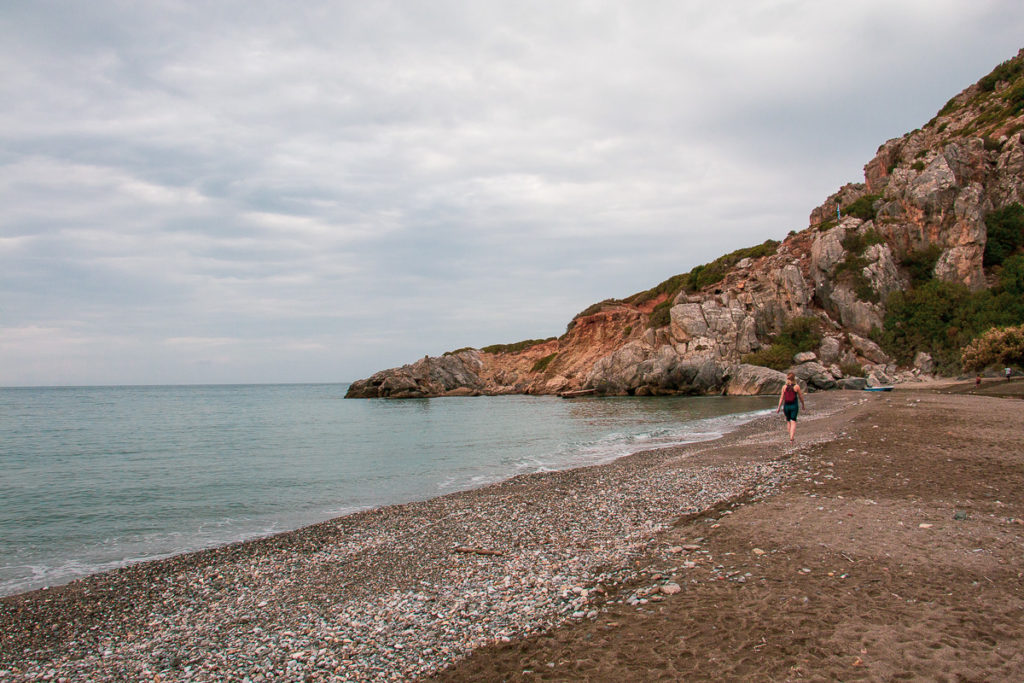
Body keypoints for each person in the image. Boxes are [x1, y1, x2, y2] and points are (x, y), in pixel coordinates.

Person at [777, 372, 806, 442]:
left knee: (788, 421)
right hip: (794, 406)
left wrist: (778, 408)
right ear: (794, 378)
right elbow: (800, 397)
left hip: (786, 406)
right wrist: (803, 405)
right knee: (793, 421)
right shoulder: (797, 386)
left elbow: (781, 398)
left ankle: (790, 436)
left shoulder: (784, 387)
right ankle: (791, 437)